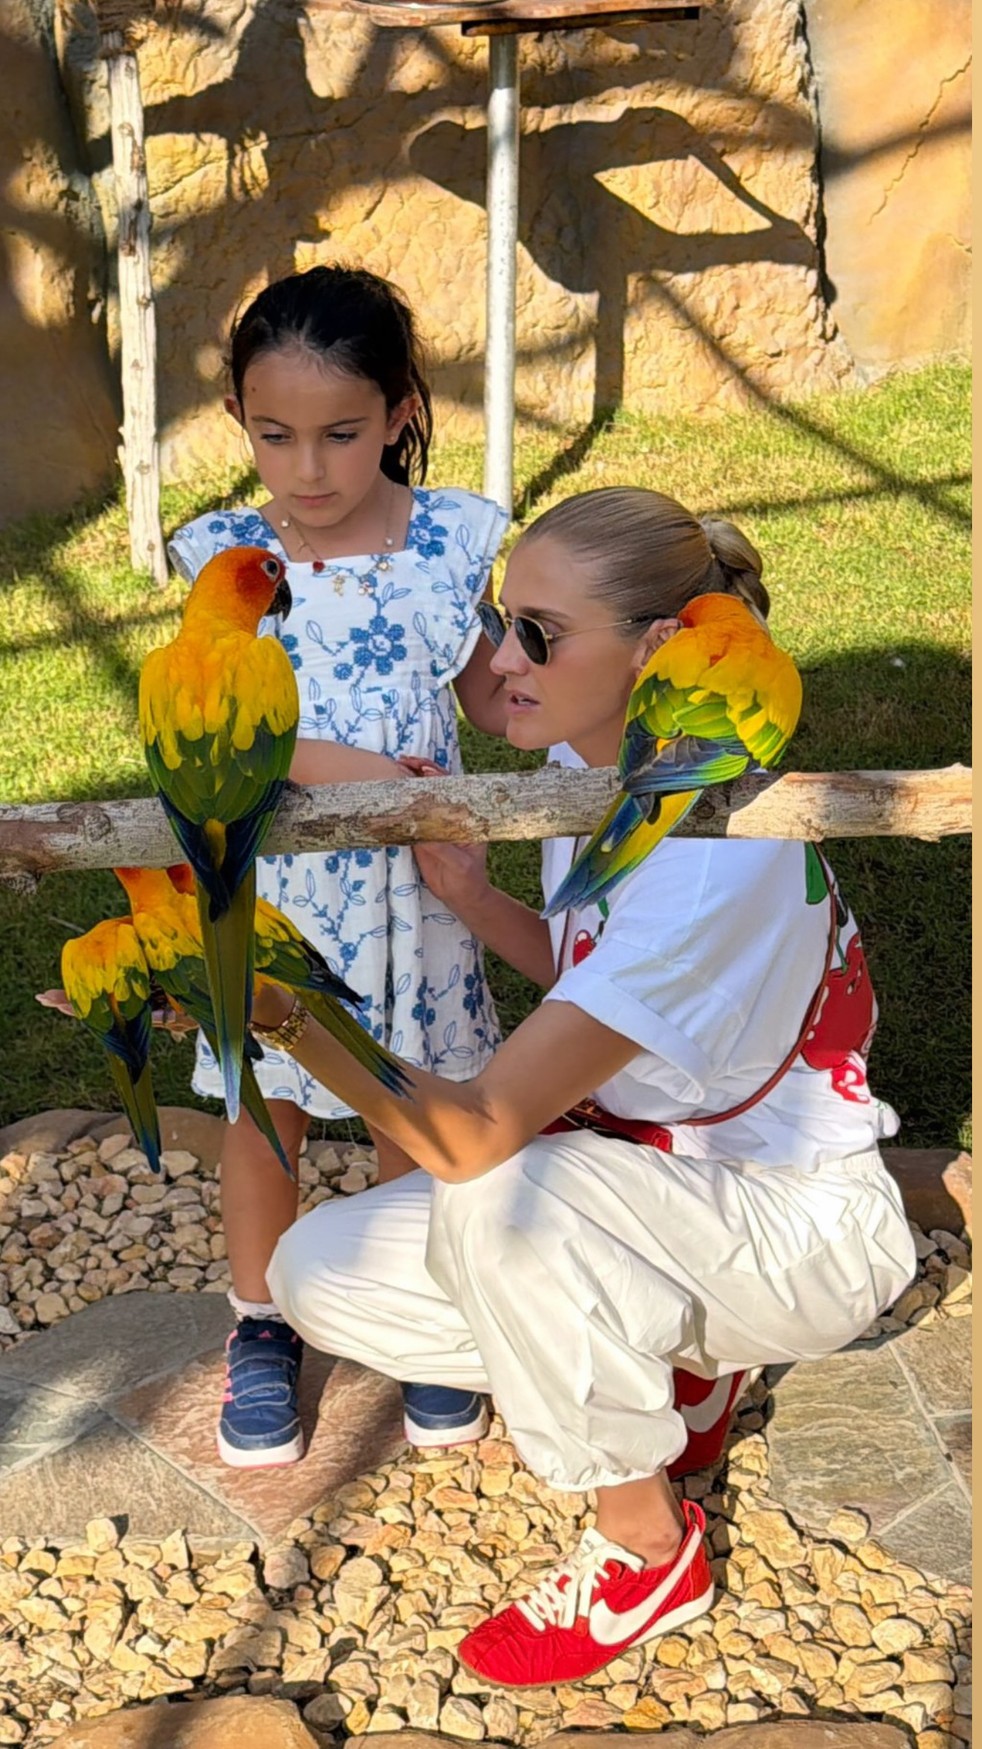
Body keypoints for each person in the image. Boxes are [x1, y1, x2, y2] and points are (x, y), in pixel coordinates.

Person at [247, 485, 916, 1687]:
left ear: (659, 648)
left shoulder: (710, 854)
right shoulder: (593, 763)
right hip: (670, 1202)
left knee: (501, 1198)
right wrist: (475, 898)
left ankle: (646, 1551)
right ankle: (678, 1369)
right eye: (506, 621)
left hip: (804, 1229)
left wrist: (282, 1011)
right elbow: (599, 979)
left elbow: (478, 1135)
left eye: (538, 636)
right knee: (316, 1273)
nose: (500, 661)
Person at [167, 265, 509, 1468]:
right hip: (281, 904)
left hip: (423, 900)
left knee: (411, 1108)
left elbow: (492, 700)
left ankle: (420, 1315)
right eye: (276, 436)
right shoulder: (229, 561)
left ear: (403, 410)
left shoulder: (449, 548)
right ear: (241, 426)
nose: (307, 470)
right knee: (269, 1114)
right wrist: (340, 758)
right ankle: (261, 1322)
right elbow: (210, 716)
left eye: (341, 434)